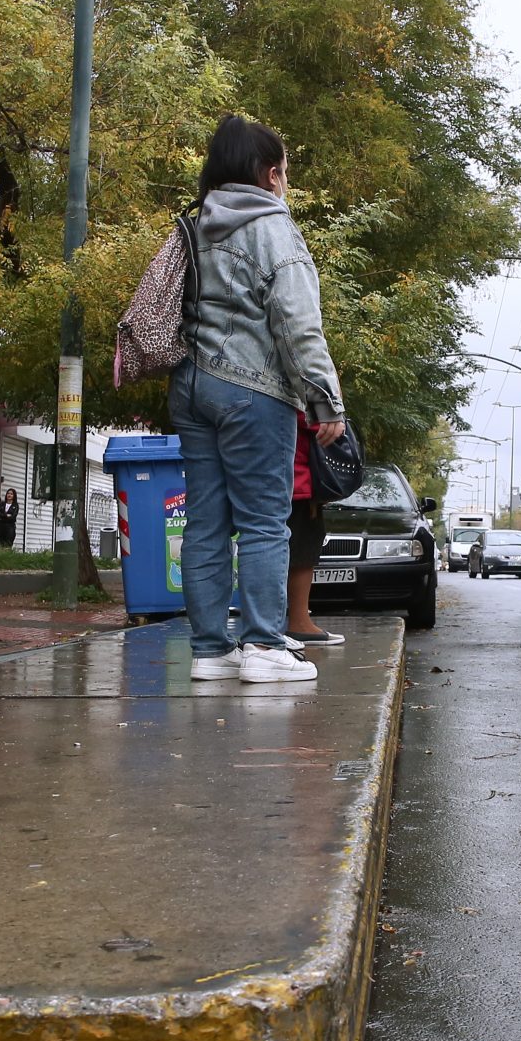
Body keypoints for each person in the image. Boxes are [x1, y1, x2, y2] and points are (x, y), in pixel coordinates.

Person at [171, 114, 346, 684]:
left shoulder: (197, 225)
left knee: (205, 522)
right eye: (285, 171)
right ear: (270, 175)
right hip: (252, 391)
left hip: (192, 386)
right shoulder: (273, 229)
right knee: (267, 521)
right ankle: (265, 647)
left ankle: (210, 652)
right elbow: (298, 324)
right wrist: (325, 401)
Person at [285, 413, 341, 647]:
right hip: (297, 478)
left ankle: (271, 625)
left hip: (278, 476)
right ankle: (298, 622)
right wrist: (333, 419)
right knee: (302, 550)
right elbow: (312, 420)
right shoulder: (298, 380)